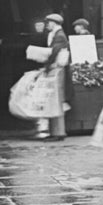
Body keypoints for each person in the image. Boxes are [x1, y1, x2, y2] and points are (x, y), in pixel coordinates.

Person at [34, 13, 72, 141]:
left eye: (49, 23)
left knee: (56, 100)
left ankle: (59, 132)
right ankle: (55, 131)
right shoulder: (56, 35)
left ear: (54, 23)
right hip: (55, 69)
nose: (47, 25)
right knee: (53, 100)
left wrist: (46, 64)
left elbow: (54, 52)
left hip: (57, 70)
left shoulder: (59, 36)